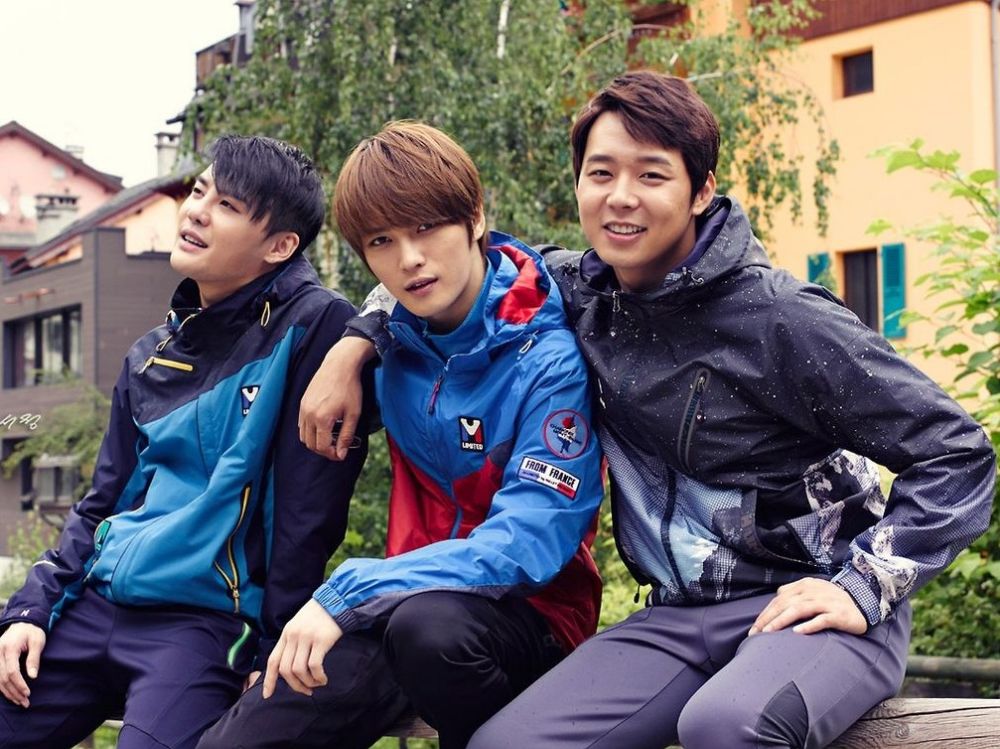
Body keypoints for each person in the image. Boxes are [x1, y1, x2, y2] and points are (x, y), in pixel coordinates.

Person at [300, 72, 997, 749]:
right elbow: (442, 264)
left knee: (724, 726)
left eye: (652, 175)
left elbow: (957, 452)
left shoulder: (781, 318)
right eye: (601, 174)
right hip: (679, 616)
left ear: (702, 190)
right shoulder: (576, 291)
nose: (621, 197)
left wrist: (864, 585)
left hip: (816, 603)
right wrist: (354, 344)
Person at [198, 122, 603, 749]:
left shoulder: (548, 359)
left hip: (532, 615)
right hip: (399, 606)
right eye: (381, 241)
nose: (409, 259)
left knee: (431, 632)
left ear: (474, 217)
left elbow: (531, 541)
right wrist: (350, 348)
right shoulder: (392, 341)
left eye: (426, 228)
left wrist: (350, 591)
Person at [0, 135, 369, 749]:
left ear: (280, 246)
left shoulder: (316, 327)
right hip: (95, 607)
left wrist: (274, 643)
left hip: (202, 625)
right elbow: (102, 503)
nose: (196, 211)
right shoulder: (150, 355)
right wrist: (31, 608)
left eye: (227, 205)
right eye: (199, 192)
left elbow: (307, 513)